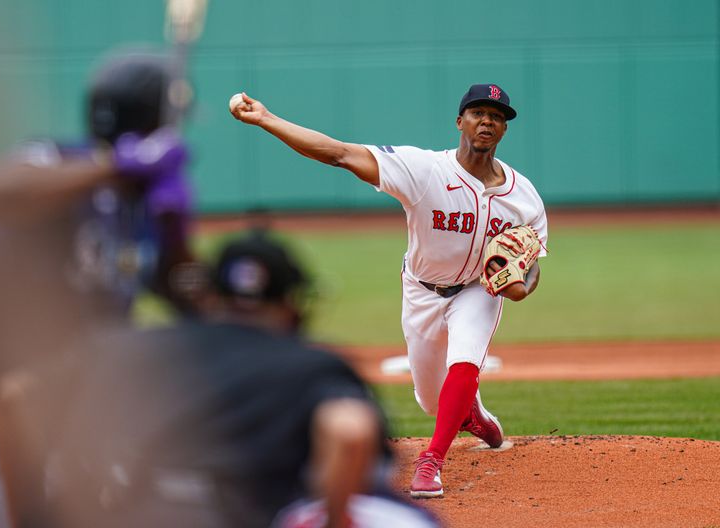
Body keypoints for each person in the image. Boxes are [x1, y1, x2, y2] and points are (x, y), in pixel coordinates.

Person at [0, 50, 197, 527]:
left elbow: (181, 295)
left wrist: (174, 234)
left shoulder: (142, 200)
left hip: (75, 397)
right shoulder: (56, 161)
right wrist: (116, 167)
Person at [229, 84, 548, 498]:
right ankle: (474, 415)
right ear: (460, 122)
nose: (487, 121)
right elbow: (338, 153)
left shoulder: (523, 197)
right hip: (422, 289)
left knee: (466, 360)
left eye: (497, 116)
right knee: (431, 401)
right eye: (478, 113)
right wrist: (267, 119)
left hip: (477, 290)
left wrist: (523, 287)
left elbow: (531, 260)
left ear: (504, 130)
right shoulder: (425, 170)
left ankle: (431, 462)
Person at [43, 229, 439, 528]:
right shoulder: (313, 366)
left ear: (209, 296)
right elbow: (349, 431)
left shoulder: (132, 349)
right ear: (291, 303)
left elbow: (16, 398)